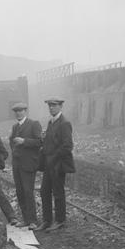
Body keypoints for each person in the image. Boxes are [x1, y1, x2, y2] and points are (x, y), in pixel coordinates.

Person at [37, 98, 75, 231]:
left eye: (54, 106)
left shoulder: (65, 123)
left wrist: (53, 157)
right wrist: (44, 139)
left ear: (60, 107)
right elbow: (51, 142)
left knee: (58, 193)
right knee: (44, 191)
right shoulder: (51, 122)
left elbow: (67, 146)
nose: (51, 108)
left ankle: (60, 220)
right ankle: (47, 220)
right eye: (50, 106)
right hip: (48, 165)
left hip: (58, 165)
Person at [9, 102, 43, 229]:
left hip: (28, 164)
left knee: (28, 191)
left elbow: (40, 142)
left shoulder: (34, 124)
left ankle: (33, 220)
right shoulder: (15, 127)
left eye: (20, 110)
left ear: (25, 111)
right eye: (16, 111)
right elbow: (11, 141)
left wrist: (24, 141)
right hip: (17, 164)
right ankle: (26, 219)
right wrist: (15, 151)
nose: (18, 113)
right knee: (20, 192)